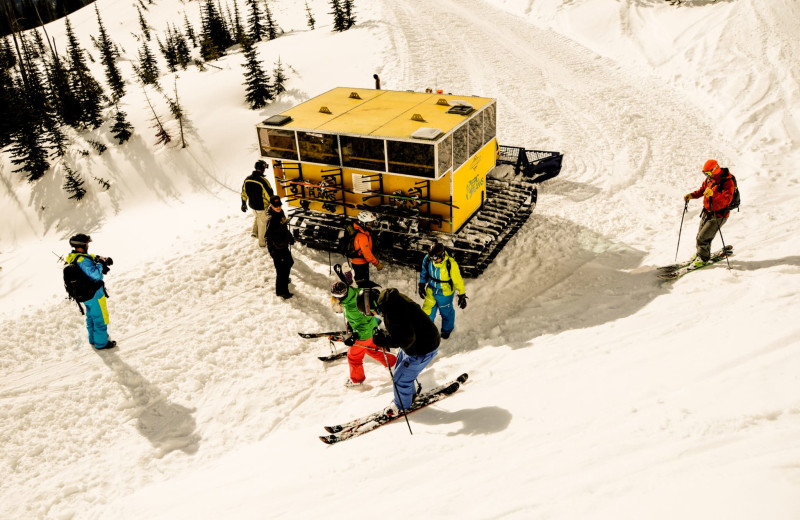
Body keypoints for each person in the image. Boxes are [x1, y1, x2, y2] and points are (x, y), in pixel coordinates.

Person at [357, 287, 440, 416]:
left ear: (371, 306)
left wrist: (385, 341)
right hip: (421, 340)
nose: (373, 315)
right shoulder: (391, 301)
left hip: (423, 348)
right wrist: (386, 335)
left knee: (399, 380)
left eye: (369, 312)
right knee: (400, 372)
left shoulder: (392, 312)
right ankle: (408, 396)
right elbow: (405, 327)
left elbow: (404, 340)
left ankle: (401, 407)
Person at [331, 281, 397, 387]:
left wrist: (355, 336)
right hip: (372, 327)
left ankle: (357, 380)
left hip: (365, 334)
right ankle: (394, 364)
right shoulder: (354, 291)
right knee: (374, 350)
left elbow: (363, 327)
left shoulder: (351, 308)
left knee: (353, 356)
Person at [66, 234, 116, 350]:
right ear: (81, 245)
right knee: (100, 318)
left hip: (86, 295)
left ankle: (93, 339)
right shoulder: (82, 260)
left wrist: (100, 259)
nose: (88, 245)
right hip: (94, 294)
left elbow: (91, 257)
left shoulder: (74, 257)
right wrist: (100, 264)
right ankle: (101, 343)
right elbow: (95, 274)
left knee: (91, 316)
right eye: (87, 243)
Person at [683, 159, 736, 267]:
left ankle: (703, 258)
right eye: (705, 173)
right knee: (700, 236)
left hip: (719, 215)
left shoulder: (727, 182)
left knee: (703, 238)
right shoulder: (710, 179)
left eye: (708, 173)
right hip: (707, 212)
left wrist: (714, 194)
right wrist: (692, 195)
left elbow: (727, 200)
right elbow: (702, 190)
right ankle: (701, 253)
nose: (706, 175)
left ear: (716, 169)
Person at [418, 242, 468, 339]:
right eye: (432, 258)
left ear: (442, 255)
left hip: (445, 292)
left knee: (446, 312)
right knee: (427, 311)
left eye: (436, 258)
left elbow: (457, 280)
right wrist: (422, 284)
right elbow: (424, 271)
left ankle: (446, 330)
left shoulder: (450, 264)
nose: (434, 260)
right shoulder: (428, 259)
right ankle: (427, 331)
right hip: (431, 289)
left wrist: (461, 294)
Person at [265, 195, 295, 299]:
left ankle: (285, 280)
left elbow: (284, 227)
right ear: (271, 205)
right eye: (275, 206)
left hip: (283, 245)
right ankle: (281, 291)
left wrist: (290, 237)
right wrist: (271, 250)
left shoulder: (280, 213)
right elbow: (267, 236)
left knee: (289, 263)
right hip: (277, 249)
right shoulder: (271, 218)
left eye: (279, 205)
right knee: (281, 270)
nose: (278, 207)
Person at [241, 160, 274, 247]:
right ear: (263, 169)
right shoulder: (263, 181)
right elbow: (269, 194)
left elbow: (243, 192)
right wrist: (273, 204)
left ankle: (254, 232)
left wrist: (243, 203)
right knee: (262, 224)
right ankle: (262, 243)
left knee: (257, 216)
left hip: (252, 205)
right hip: (261, 206)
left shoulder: (247, 179)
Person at [350, 211, 384, 287]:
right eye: (369, 223)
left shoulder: (359, 229)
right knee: (363, 283)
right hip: (360, 263)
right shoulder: (362, 236)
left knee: (359, 279)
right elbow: (367, 254)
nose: (371, 225)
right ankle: (362, 295)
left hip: (357, 262)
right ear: (363, 223)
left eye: (372, 223)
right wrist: (377, 263)